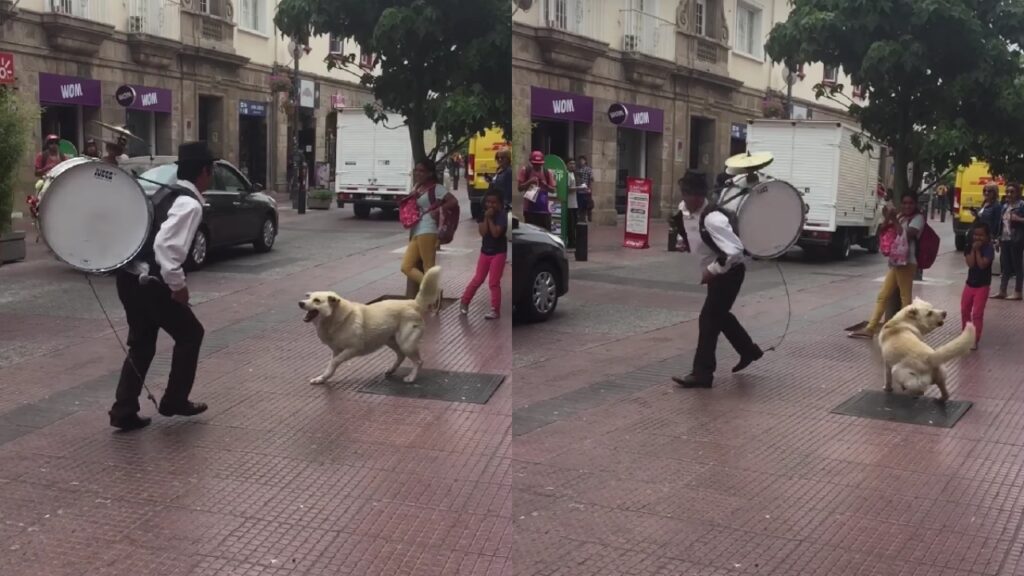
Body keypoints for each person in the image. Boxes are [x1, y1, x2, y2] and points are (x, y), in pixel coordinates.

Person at [109, 142, 214, 431]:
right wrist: (178, 286)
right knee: (191, 333)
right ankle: (175, 399)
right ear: (205, 171)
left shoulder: (166, 192)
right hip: (152, 283)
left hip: (130, 278)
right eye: (211, 171)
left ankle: (124, 410)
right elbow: (166, 247)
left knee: (142, 344)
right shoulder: (189, 203)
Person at [672, 170, 763, 388]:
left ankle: (702, 374)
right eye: (683, 193)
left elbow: (735, 252)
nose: (684, 198)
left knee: (709, 320)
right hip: (717, 273)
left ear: (698, 196)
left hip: (730, 272)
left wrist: (712, 270)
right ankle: (749, 351)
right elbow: (688, 228)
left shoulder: (714, 218)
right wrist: (683, 240)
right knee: (720, 316)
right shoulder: (684, 210)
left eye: (688, 194)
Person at [850, 194, 925, 339]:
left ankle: (906, 330)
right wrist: (887, 218)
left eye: (910, 203)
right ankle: (871, 328)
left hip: (908, 262)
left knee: (905, 298)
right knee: (883, 295)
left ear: (915, 204)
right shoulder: (902, 216)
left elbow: (905, 235)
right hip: (896, 261)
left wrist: (894, 219)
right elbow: (884, 230)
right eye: (904, 203)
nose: (907, 206)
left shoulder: (918, 219)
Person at [401, 158, 457, 287]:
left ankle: (432, 299)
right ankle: (431, 290)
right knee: (406, 266)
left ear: (430, 173)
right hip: (417, 229)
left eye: (422, 171)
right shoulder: (417, 187)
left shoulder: (436, 188)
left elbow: (453, 201)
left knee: (428, 267)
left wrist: (439, 209)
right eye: (417, 170)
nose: (418, 173)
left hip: (429, 229)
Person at [460, 190, 507, 320]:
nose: (490, 205)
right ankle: (464, 301)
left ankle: (495, 310)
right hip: (485, 252)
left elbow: (496, 233)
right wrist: (486, 217)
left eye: (494, 202)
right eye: (488, 202)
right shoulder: (482, 215)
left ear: (500, 204)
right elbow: (483, 232)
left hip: (498, 253)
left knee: (493, 282)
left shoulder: (502, 216)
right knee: (478, 279)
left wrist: (491, 218)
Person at [962, 222, 994, 350]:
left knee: (977, 313)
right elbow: (970, 264)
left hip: (983, 286)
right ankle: (965, 335)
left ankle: (974, 339)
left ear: (987, 237)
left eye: (981, 235)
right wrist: (973, 249)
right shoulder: (968, 246)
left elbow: (982, 265)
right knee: (964, 309)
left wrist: (977, 251)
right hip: (969, 284)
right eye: (975, 235)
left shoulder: (989, 249)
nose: (978, 238)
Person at [993, 183, 1024, 300]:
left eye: (1012, 192)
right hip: (1005, 238)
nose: (1009, 194)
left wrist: (1019, 219)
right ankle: (1002, 291)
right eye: (1008, 192)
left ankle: (1018, 292)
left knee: (1017, 266)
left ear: (1017, 193)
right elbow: (1002, 224)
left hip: (1016, 239)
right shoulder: (1005, 206)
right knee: (1005, 266)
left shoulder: (1021, 205)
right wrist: (998, 238)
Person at [518, 150, 555, 230]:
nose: (537, 166)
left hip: (544, 210)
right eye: (535, 164)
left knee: (545, 232)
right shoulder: (525, 171)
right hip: (529, 209)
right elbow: (519, 188)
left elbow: (553, 190)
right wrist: (529, 182)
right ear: (531, 162)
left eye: (539, 164)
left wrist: (545, 185)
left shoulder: (547, 172)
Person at [565, 158, 580, 248]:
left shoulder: (573, 174)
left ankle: (574, 240)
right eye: (570, 163)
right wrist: (578, 188)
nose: (572, 165)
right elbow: (567, 189)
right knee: (570, 224)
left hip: (574, 203)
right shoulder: (567, 174)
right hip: (569, 204)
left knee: (574, 223)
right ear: (567, 164)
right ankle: (571, 242)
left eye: (574, 164)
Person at [576, 155, 594, 222]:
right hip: (579, 190)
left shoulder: (588, 169)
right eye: (580, 160)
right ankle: (582, 219)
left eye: (582, 160)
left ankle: (588, 215)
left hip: (586, 190)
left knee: (588, 205)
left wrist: (590, 188)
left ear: (585, 161)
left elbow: (591, 179)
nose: (581, 162)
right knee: (580, 206)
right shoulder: (577, 169)